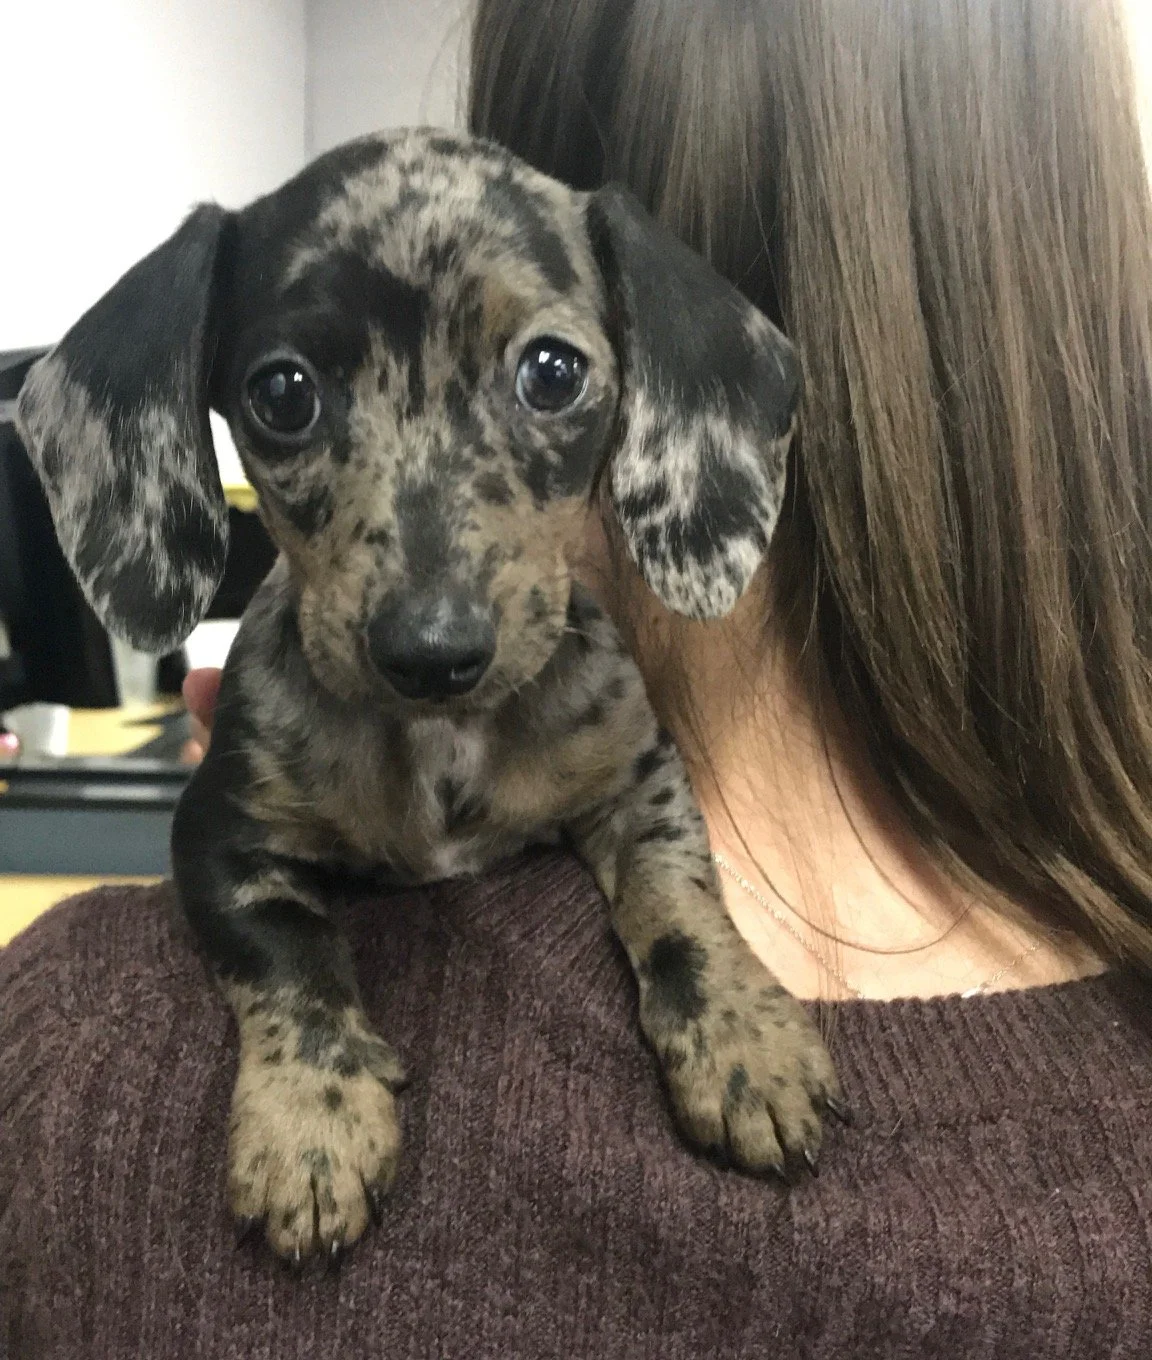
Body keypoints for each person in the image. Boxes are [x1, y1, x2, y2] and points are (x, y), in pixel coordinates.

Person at [4, 0, 1152, 1353]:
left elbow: (626, 797)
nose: (431, 608)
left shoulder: (73, 1067)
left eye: (547, 377)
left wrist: (690, 963)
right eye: (292, 399)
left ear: (662, 386)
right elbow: (238, 851)